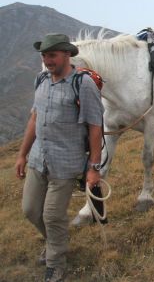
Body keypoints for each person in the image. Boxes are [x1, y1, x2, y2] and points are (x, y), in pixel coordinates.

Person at [14, 34, 104, 282]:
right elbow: (34, 118)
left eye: (52, 55)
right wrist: (22, 154)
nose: (47, 60)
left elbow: (95, 126)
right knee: (31, 210)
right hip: (37, 159)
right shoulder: (41, 78)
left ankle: (56, 262)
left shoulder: (83, 84)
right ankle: (56, 242)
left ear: (67, 54)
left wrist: (94, 168)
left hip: (65, 164)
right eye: (44, 55)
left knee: (52, 216)